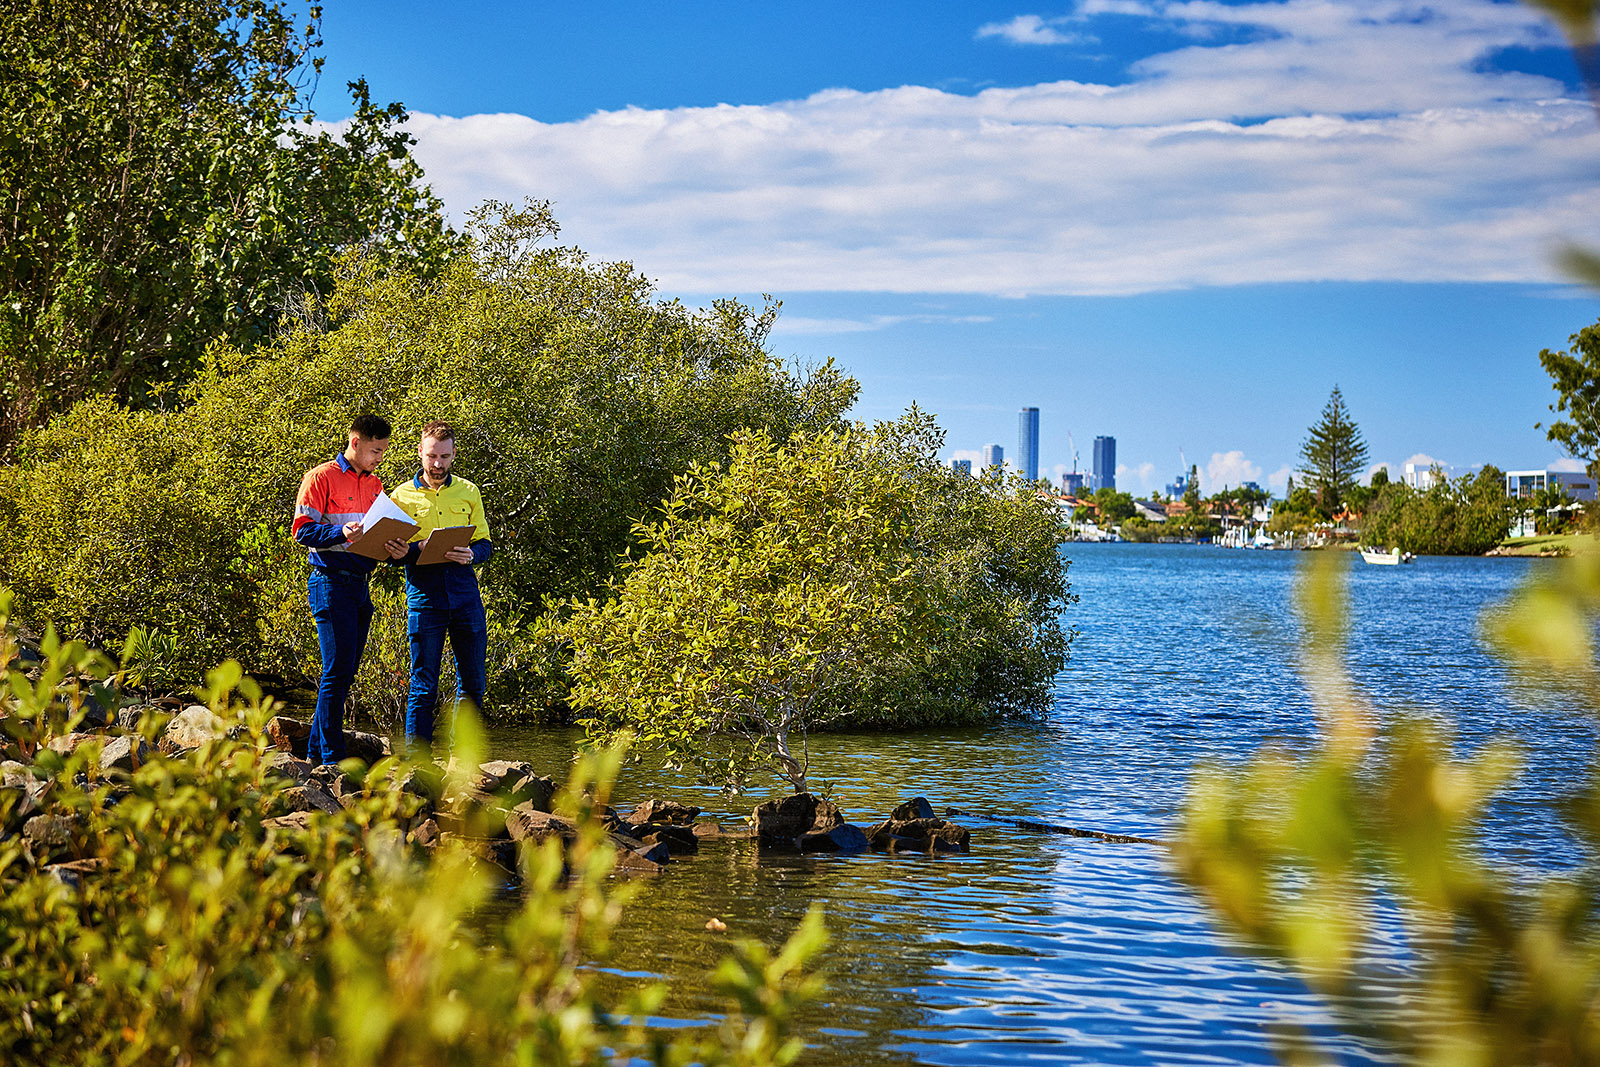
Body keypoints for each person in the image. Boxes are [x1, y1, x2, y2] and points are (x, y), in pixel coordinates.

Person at [291, 414, 409, 766]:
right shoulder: (320, 477)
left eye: (384, 451)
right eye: (376, 450)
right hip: (329, 581)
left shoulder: (376, 485)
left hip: (361, 584)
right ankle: (331, 760)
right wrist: (340, 534)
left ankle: (314, 754)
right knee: (337, 670)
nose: (379, 458)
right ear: (355, 442)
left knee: (344, 672)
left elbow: (376, 534)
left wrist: (394, 551)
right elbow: (301, 532)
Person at [391, 420, 494, 754]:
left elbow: (485, 544)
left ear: (453, 454)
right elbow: (389, 552)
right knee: (423, 686)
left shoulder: (468, 491)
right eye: (432, 456)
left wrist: (471, 553)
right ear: (420, 451)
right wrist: (414, 550)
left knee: (473, 684)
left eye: (445, 457)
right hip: (425, 596)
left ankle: (461, 762)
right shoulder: (400, 496)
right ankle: (416, 766)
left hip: (466, 596)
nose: (438, 464)